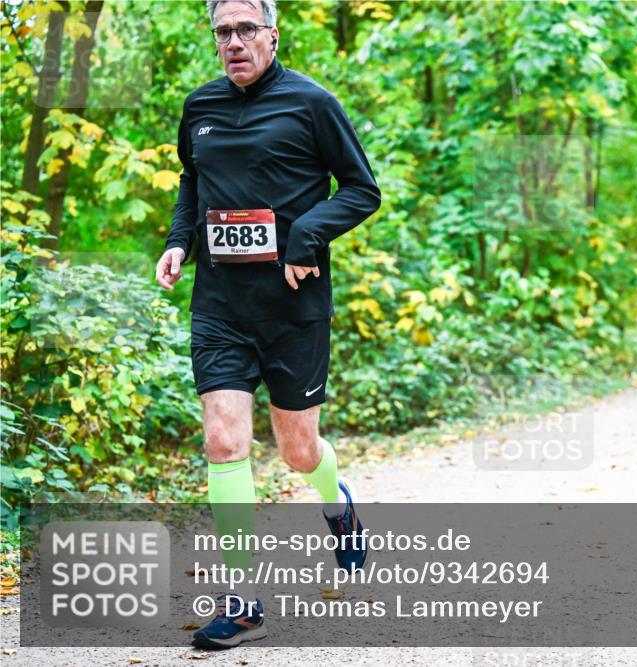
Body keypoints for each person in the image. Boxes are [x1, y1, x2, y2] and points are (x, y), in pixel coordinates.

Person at [155, 0, 381, 649]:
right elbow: (191, 183)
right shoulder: (200, 108)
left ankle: (337, 501)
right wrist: (180, 241)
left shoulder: (313, 104)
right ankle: (243, 597)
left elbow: (362, 189)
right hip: (221, 304)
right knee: (224, 440)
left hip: (292, 306)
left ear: (272, 36)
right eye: (223, 31)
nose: (233, 41)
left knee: (296, 450)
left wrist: (307, 235)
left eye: (245, 29)